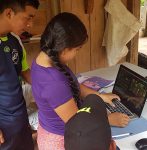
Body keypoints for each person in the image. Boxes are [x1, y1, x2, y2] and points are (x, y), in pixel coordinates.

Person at [31, 12, 129, 149]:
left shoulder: (45, 60)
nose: (77, 54)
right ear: (64, 49)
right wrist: (109, 120)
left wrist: (99, 96)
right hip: (62, 139)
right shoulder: (54, 83)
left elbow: (73, 85)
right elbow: (79, 126)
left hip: (56, 130)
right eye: (77, 49)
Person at [0, 0, 39, 149]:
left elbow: (25, 72)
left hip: (19, 116)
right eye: (27, 17)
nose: (30, 24)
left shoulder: (14, 41)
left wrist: (48, 87)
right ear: (9, 13)